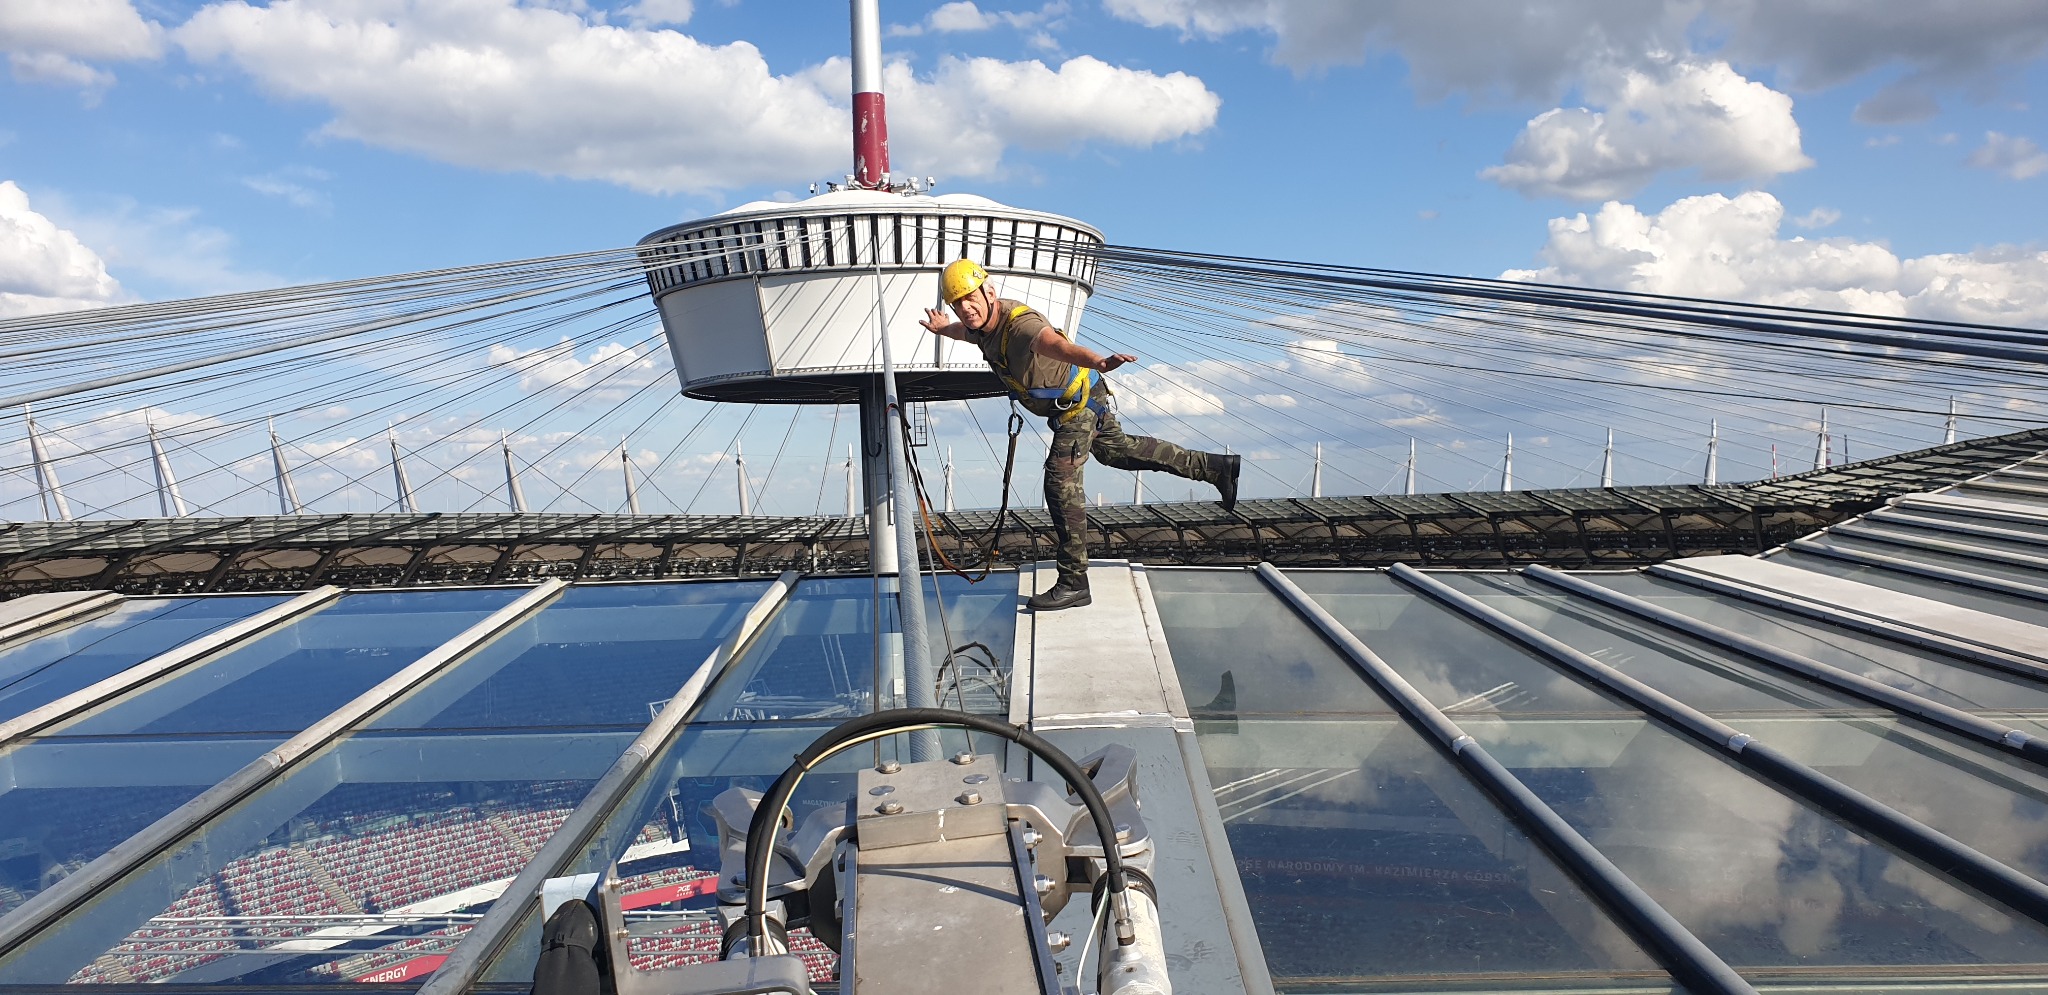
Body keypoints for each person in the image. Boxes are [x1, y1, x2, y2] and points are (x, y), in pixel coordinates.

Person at [920, 258, 1240, 611]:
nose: (966, 308)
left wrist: (1098, 361)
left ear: (990, 293)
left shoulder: (1022, 326)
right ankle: (1215, 467)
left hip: (1078, 405)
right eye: (957, 303)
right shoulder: (981, 327)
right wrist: (943, 328)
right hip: (1081, 399)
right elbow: (964, 332)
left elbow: (1055, 344)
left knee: (1060, 481)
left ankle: (1074, 582)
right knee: (1118, 452)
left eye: (970, 298)